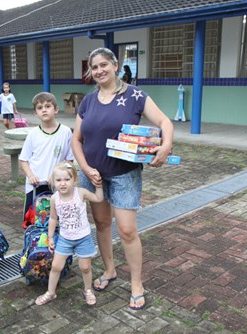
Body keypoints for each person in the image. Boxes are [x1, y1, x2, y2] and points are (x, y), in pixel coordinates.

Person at [71, 47, 174, 310]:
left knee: (127, 230)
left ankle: (137, 283)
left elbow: (164, 122)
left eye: (104, 65)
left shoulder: (135, 95)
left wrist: (165, 145)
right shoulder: (88, 101)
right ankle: (109, 270)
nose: (99, 71)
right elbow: (76, 139)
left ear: (116, 65)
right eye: (94, 67)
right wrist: (85, 168)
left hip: (124, 175)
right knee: (102, 225)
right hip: (93, 176)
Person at [35, 162, 104, 306]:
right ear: (53, 182)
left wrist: (99, 186)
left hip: (83, 238)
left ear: (75, 180)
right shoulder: (54, 198)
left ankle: (88, 290)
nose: (63, 184)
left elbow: (98, 199)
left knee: (85, 267)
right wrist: (50, 237)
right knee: (56, 266)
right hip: (65, 239)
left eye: (67, 179)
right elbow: (53, 218)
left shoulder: (81, 193)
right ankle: (51, 292)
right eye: (58, 180)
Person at [19, 92, 74, 217]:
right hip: (34, 186)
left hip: (57, 185)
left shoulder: (65, 132)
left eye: (48, 106)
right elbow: (24, 159)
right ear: (35, 113)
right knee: (33, 221)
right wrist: (31, 175)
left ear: (56, 109)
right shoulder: (33, 134)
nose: (44, 110)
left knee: (57, 220)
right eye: (39, 108)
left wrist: (57, 176)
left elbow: (69, 161)